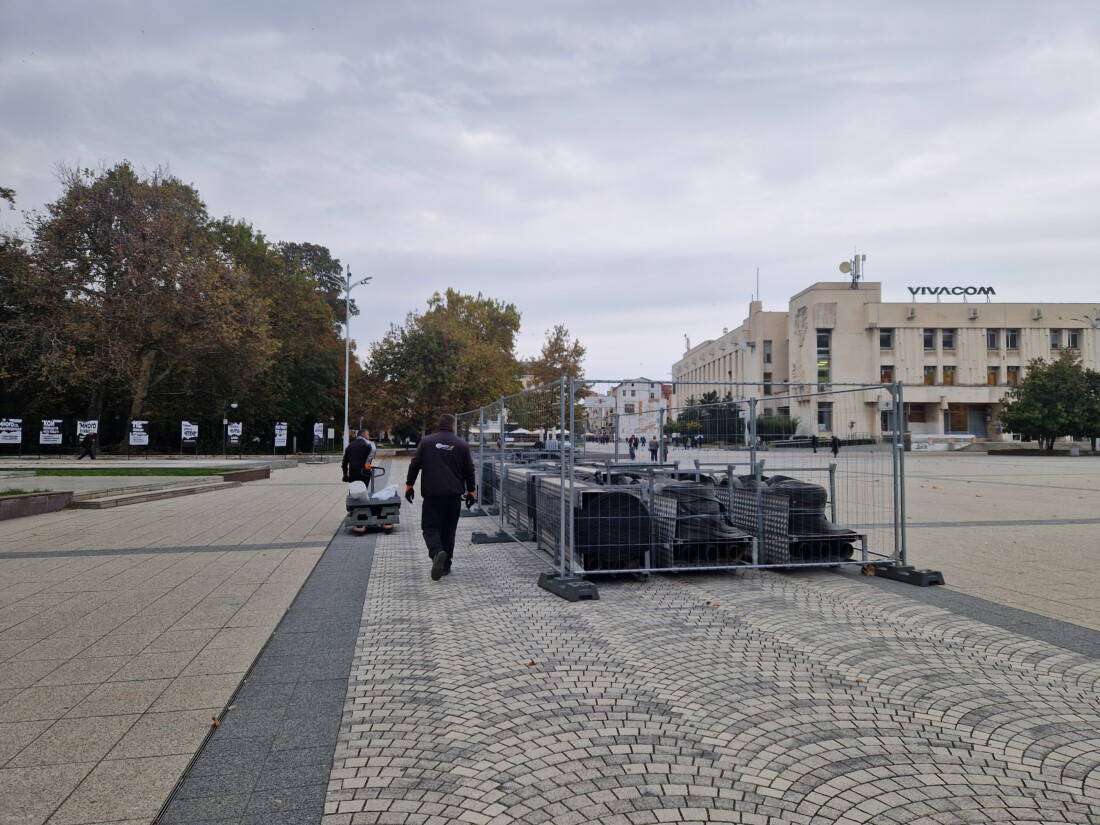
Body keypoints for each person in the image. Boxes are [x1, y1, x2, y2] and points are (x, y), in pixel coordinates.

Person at [405, 414, 477, 581]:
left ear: (440, 425)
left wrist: (409, 485)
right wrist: (471, 492)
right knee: (449, 531)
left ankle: (437, 552)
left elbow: (414, 464)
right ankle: (446, 566)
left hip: (433, 495)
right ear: (453, 426)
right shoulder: (462, 444)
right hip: (453, 496)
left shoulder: (427, 442)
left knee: (430, 528)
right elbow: (469, 470)